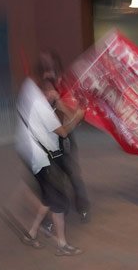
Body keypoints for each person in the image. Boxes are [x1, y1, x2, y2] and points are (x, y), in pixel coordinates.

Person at [14, 55, 85, 256]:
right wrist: (77, 118)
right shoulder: (42, 107)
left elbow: (37, 81)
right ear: (45, 91)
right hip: (42, 159)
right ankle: (62, 245)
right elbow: (63, 131)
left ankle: (31, 233)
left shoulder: (28, 88)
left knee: (46, 199)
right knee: (59, 203)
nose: (54, 93)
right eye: (51, 91)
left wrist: (55, 100)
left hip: (28, 153)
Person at [41, 49, 91, 222]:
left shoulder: (65, 86)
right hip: (49, 137)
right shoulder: (44, 85)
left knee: (71, 172)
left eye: (48, 63)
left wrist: (63, 106)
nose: (46, 68)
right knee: (53, 176)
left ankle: (82, 206)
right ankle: (58, 210)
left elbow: (73, 115)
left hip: (65, 136)